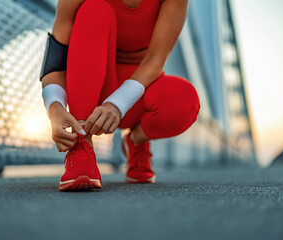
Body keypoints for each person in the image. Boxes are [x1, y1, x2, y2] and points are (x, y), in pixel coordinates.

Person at [40, 0, 200, 191]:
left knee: (185, 100)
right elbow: (54, 64)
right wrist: (55, 107)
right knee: (95, 9)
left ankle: (135, 141)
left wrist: (117, 105)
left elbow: (155, 60)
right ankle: (82, 147)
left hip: (138, 92)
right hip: (94, 87)